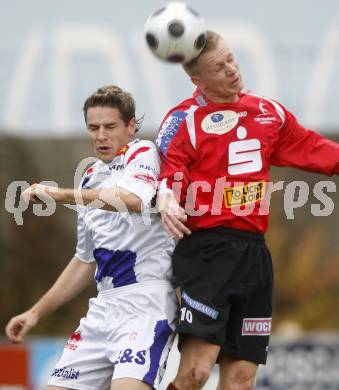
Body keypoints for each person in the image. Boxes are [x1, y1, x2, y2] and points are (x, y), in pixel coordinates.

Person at [156, 31, 339, 390]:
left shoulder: (268, 112)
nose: (231, 70)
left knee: (242, 379)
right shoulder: (183, 120)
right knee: (195, 372)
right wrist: (167, 197)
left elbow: (313, 148)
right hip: (207, 252)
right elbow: (170, 172)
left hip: (254, 253)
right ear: (197, 79)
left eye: (230, 59)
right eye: (217, 67)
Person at [5, 85, 178, 390]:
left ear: (131, 125)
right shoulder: (89, 178)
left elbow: (132, 199)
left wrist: (58, 195)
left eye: (110, 126)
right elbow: (86, 259)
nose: (101, 135)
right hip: (103, 310)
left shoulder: (143, 153)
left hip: (145, 306)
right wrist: (35, 312)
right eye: (93, 127)